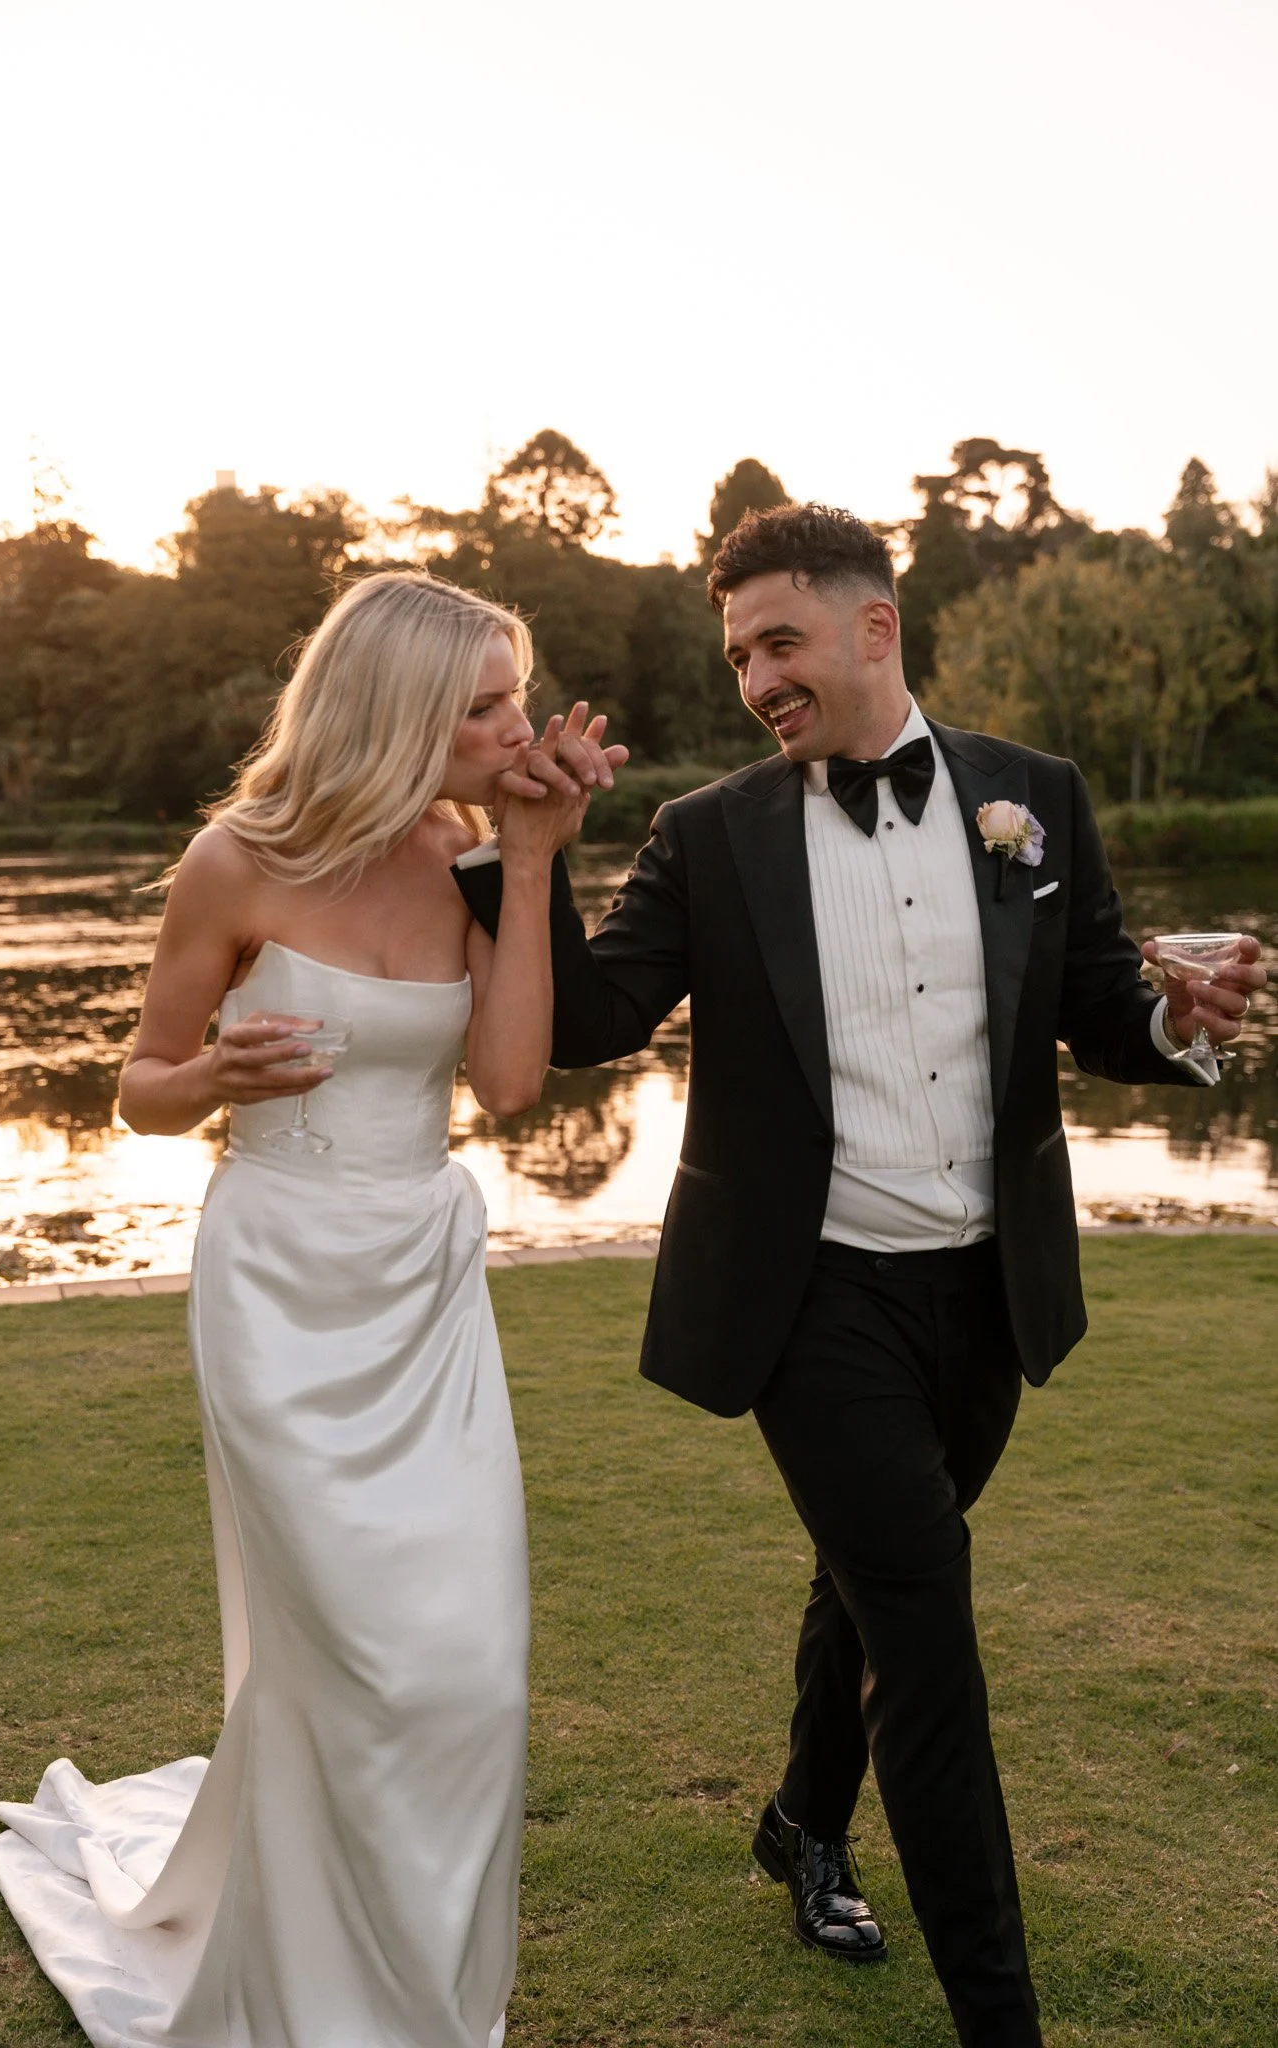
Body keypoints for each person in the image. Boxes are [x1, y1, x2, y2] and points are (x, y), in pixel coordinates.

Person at [453, 504, 1267, 2048]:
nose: (756, 676)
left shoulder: (1035, 801)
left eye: (779, 641)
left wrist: (1182, 1026)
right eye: (738, 653)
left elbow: (1098, 1001)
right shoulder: (711, 832)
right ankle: (1000, 2019)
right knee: (928, 1622)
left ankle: (802, 1825)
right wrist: (526, 851)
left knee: (872, 1573)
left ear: (875, 627)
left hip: (986, 1289)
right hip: (809, 1295)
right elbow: (596, 1018)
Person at [0, 569, 624, 2048]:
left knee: (466, 1668)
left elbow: (516, 1088)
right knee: (351, 1657)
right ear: (397, 709)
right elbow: (139, 1087)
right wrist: (213, 1078)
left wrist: (532, 859)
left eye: (516, 697)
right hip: (277, 1288)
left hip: (424, 1286)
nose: (515, 725)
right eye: (485, 705)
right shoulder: (236, 860)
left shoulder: (472, 851)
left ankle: (423, 1996)